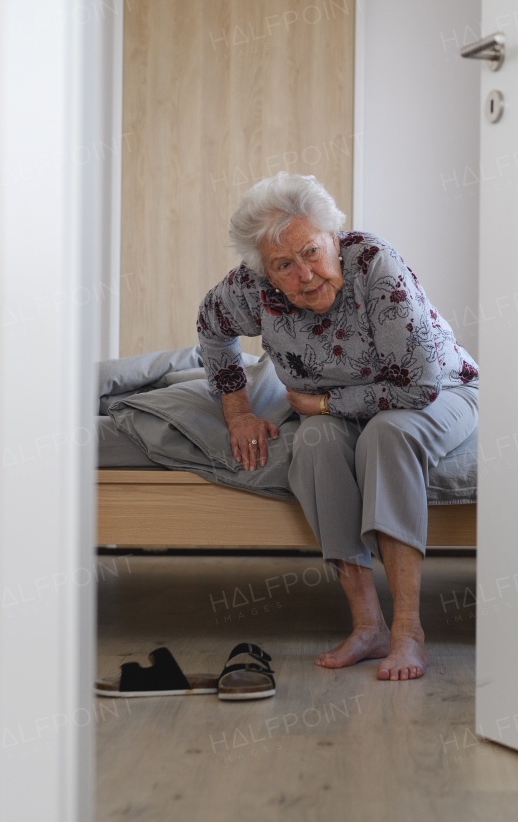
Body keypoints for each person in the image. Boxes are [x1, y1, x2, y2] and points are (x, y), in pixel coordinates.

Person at [197, 173, 479, 681]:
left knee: (387, 434)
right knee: (318, 444)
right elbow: (210, 326)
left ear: (334, 236)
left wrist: (325, 403)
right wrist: (239, 412)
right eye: (284, 264)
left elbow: (419, 388)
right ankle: (368, 625)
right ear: (265, 269)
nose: (305, 274)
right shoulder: (252, 288)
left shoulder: (374, 266)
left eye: (311, 251)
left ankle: (408, 630)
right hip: (330, 409)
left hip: (442, 392)